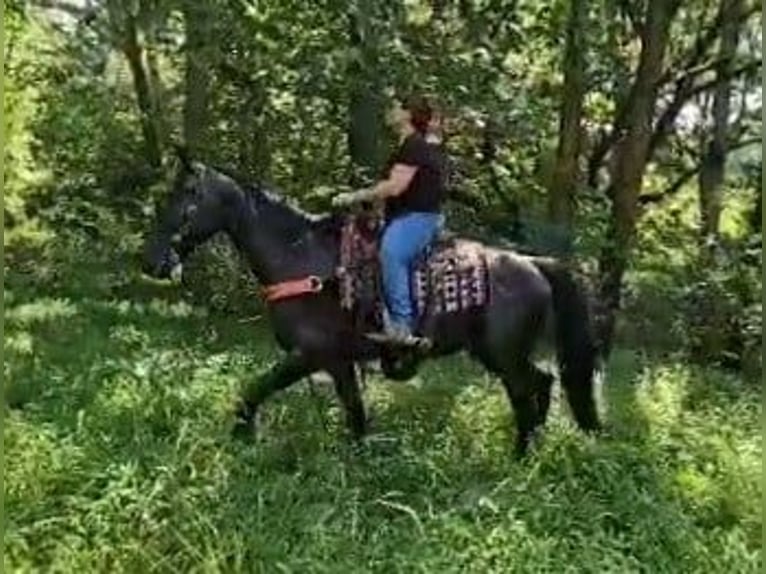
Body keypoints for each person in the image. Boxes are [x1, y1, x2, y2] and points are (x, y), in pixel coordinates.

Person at [332, 94, 447, 344]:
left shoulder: (415, 146)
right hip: (402, 216)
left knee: (391, 253)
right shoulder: (405, 146)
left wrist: (354, 196)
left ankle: (402, 325)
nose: (390, 111)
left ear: (407, 114)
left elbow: (395, 187)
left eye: (395, 107)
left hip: (419, 218)